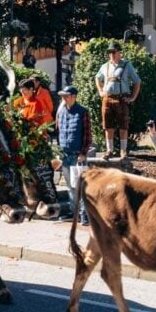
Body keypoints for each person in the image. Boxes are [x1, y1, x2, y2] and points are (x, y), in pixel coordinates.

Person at [94, 41, 141, 159]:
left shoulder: (126, 65)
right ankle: (109, 150)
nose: (112, 55)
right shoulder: (104, 66)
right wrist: (100, 91)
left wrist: (133, 97)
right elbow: (97, 78)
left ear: (120, 53)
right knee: (107, 126)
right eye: (110, 52)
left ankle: (123, 151)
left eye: (114, 52)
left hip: (121, 99)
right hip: (107, 99)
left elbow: (137, 81)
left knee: (123, 126)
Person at [55, 85, 91, 225]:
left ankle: (84, 215)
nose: (64, 98)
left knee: (80, 186)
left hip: (78, 155)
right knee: (70, 186)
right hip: (65, 154)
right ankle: (73, 212)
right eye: (63, 96)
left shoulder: (83, 112)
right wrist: (58, 152)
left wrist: (83, 153)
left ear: (74, 96)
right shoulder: (61, 112)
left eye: (66, 95)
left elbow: (87, 135)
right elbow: (58, 132)